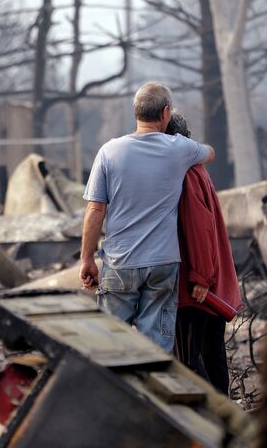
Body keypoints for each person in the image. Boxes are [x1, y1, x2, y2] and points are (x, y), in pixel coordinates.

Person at [79, 82, 215, 352]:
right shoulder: (180, 148)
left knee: (110, 348)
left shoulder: (109, 151)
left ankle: (116, 393)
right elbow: (210, 152)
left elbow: (95, 210)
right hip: (163, 265)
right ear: (166, 112)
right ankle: (151, 394)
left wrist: (86, 259)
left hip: (120, 264)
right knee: (156, 350)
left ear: (136, 113)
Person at [165, 112, 241, 394]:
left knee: (190, 361)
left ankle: (215, 425)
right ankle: (227, 426)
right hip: (211, 286)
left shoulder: (184, 174)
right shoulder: (198, 170)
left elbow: (199, 228)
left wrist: (200, 277)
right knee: (212, 356)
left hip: (196, 290)